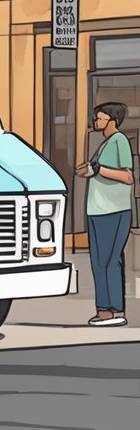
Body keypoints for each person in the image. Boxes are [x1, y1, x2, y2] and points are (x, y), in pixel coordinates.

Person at [76, 102, 135, 327]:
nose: (96, 122)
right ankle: (104, 311)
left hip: (113, 210)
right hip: (98, 210)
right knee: (99, 263)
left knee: (110, 262)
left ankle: (115, 311)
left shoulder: (119, 141)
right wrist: (89, 171)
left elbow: (127, 177)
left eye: (100, 118)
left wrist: (98, 170)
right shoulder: (105, 143)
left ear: (113, 121)